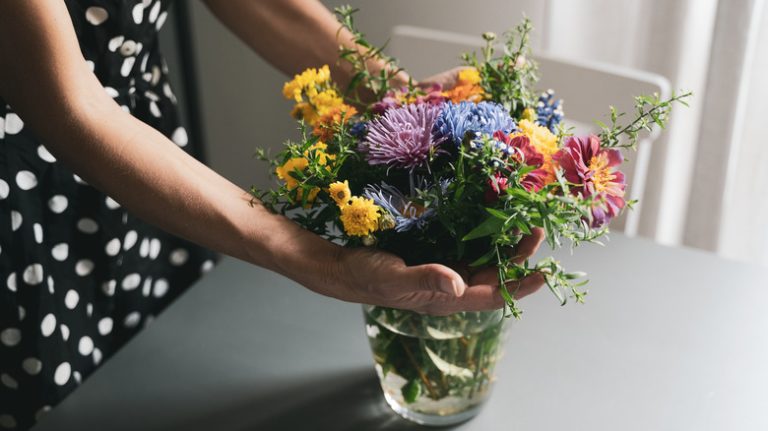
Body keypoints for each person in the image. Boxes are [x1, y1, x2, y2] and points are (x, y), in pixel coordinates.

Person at [0, 1, 545, 428]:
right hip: (27, 202)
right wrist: (321, 261)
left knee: (151, 391)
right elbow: (69, 105)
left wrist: (397, 102)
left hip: (149, 167)